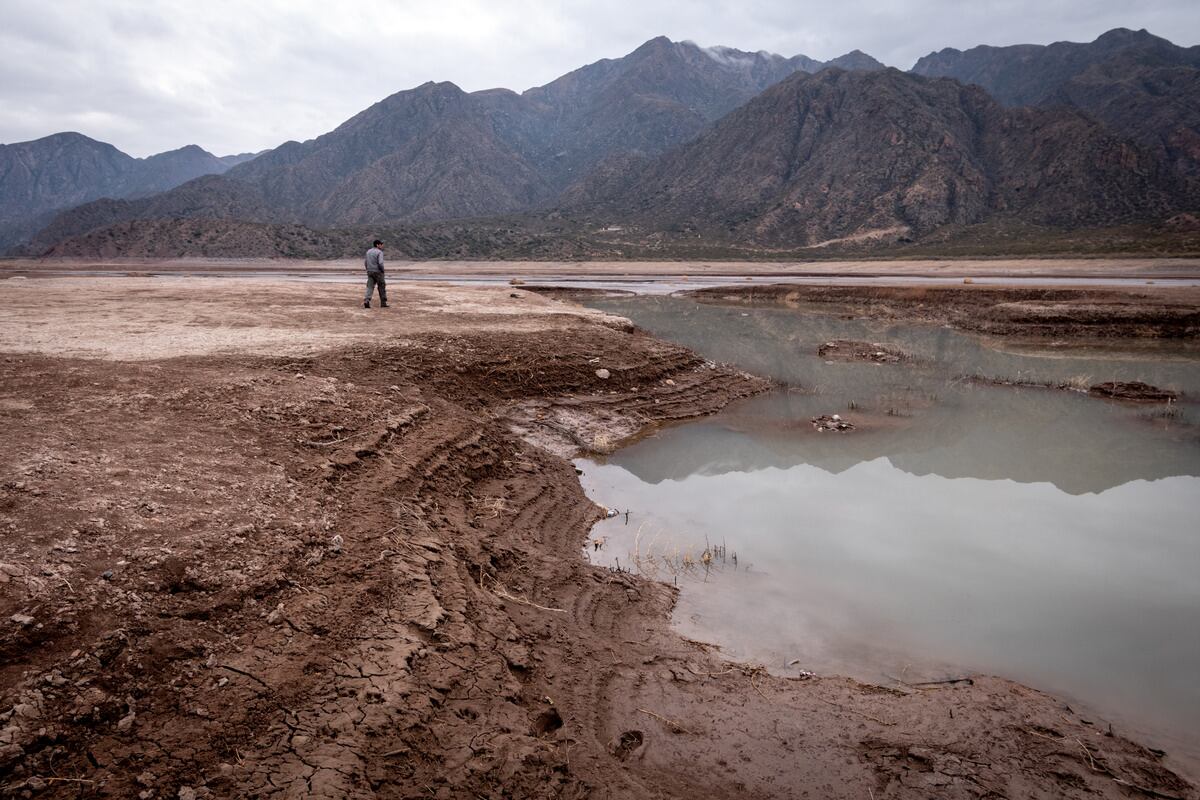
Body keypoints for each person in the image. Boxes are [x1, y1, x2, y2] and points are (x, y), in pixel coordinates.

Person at [363, 240, 387, 308]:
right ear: (377, 245)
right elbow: (380, 263)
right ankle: (383, 303)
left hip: (370, 271)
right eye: (381, 244)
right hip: (378, 272)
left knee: (370, 287)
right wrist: (382, 270)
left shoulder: (368, 251)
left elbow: (365, 262)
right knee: (381, 286)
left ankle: (366, 300)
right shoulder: (379, 252)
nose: (382, 246)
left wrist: (368, 269)